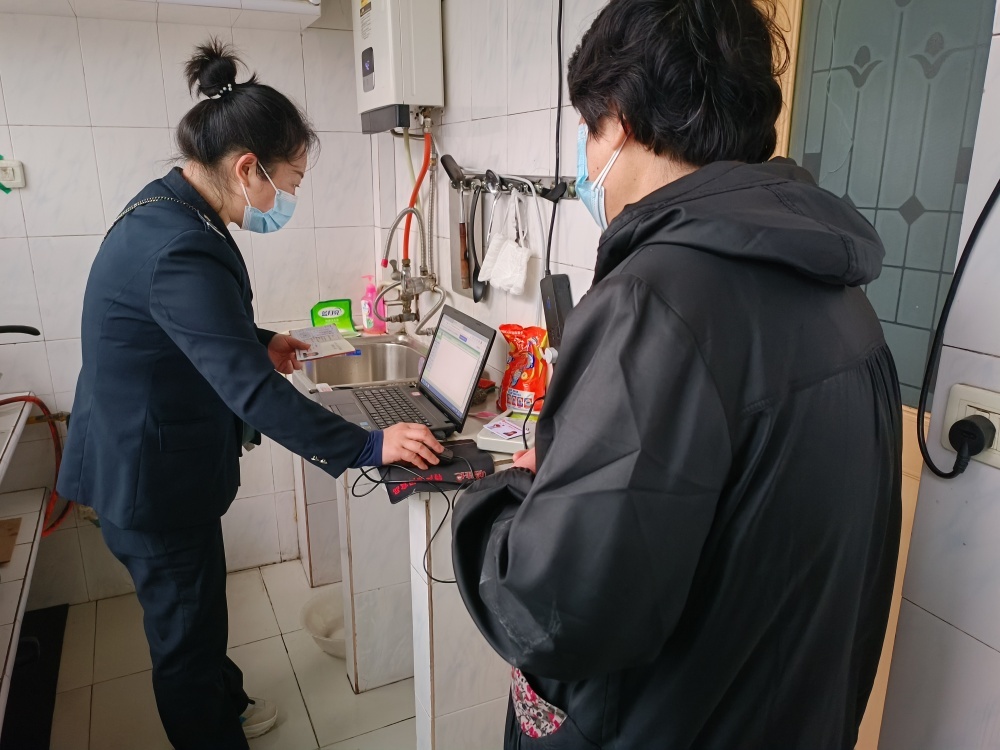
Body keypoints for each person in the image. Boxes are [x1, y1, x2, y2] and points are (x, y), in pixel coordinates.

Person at [451, 1, 903, 748]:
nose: (586, 157)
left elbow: (554, 612)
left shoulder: (654, 302)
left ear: (620, 122)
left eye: (588, 129)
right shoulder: (845, 298)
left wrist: (501, 499)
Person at [56, 40, 443, 749]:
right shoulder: (180, 243)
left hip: (150, 460)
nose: (285, 199)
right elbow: (255, 396)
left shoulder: (172, 207)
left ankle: (223, 702)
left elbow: (181, 324)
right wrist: (369, 445)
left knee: (199, 610)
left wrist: (256, 338)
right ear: (247, 168)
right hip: (148, 480)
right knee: (184, 635)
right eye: (287, 182)